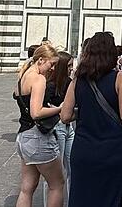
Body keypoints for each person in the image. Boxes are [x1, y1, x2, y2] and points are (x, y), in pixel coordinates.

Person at [62, 32, 122, 207]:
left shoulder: (77, 79)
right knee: (109, 199)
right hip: (112, 150)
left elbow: (64, 116)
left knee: (82, 198)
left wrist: (85, 112)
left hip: (83, 150)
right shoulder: (119, 78)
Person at [14, 44, 65, 207]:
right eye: (52, 64)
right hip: (37, 137)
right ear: (41, 60)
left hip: (23, 137)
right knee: (57, 185)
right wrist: (59, 109)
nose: (53, 68)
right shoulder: (38, 79)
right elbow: (36, 112)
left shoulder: (22, 76)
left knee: (27, 188)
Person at [42, 51, 74, 207]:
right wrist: (58, 109)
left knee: (72, 167)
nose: (71, 69)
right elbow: (40, 108)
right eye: (69, 66)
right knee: (55, 173)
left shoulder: (69, 82)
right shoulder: (49, 85)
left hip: (68, 128)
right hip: (56, 127)